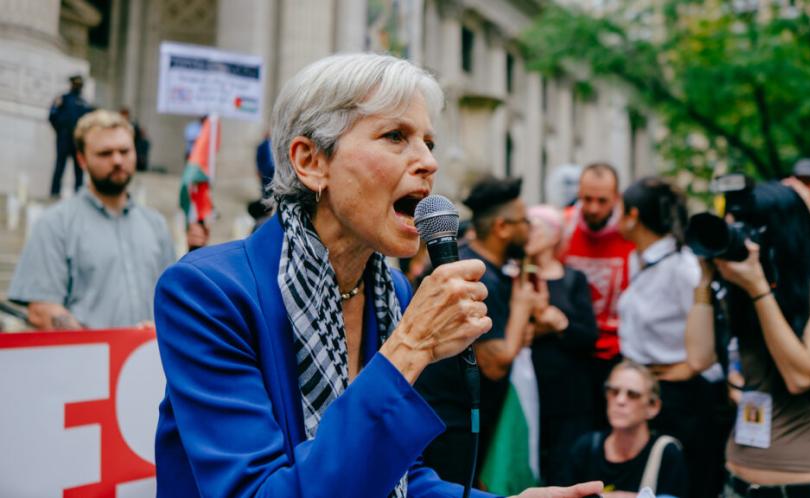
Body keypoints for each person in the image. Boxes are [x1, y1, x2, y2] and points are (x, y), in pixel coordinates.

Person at [152, 53, 602, 498]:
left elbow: (401, 477)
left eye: (429, 142)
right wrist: (410, 346)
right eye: (395, 136)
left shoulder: (391, 289)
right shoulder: (207, 292)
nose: (428, 162)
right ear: (311, 162)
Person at [685, 181, 810, 498]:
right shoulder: (741, 293)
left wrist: (758, 289)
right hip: (737, 477)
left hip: (805, 484)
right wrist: (705, 280)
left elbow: (800, 376)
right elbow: (699, 359)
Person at [416, 175, 544, 484]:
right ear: (501, 227)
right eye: (524, 221)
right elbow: (496, 362)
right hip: (449, 423)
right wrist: (522, 309)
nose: (530, 230)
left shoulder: (487, 268)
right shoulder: (477, 275)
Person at [8, 109, 176, 329]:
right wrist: (106, 349)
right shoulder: (55, 224)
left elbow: (172, 300)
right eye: (105, 153)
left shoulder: (156, 224)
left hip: (150, 358)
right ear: (81, 159)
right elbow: (42, 309)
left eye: (124, 151)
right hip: (86, 360)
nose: (117, 160)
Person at [615, 177, 729, 498]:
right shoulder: (636, 259)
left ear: (633, 216)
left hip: (682, 401)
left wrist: (690, 368)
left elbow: (713, 323)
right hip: (643, 391)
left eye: (621, 211)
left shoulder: (682, 266)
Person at [525, 204, 599, 485]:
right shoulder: (514, 276)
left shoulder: (573, 279)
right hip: (528, 390)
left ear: (555, 234)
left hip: (569, 395)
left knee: (564, 469)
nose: (529, 231)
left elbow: (589, 336)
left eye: (536, 225)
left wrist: (560, 323)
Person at [560, 162, 635, 429]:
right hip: (573, 348)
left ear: (616, 198)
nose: (592, 208)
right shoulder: (564, 225)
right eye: (586, 199)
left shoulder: (631, 231)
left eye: (601, 201)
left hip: (617, 352)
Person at [560, 360, 689, 497]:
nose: (620, 400)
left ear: (653, 407)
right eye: (614, 392)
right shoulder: (586, 447)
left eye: (632, 395)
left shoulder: (666, 451)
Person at [49, 74, 93, 197]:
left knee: (79, 170)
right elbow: (52, 116)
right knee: (59, 167)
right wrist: (61, 130)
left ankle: (78, 195)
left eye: (79, 85)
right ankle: (54, 193)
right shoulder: (62, 99)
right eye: (76, 84)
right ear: (72, 85)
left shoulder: (85, 103)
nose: (77, 87)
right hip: (64, 139)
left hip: (77, 142)